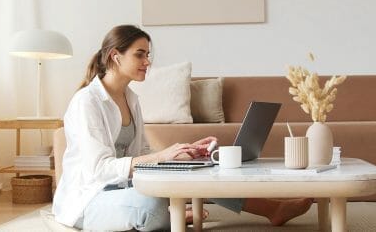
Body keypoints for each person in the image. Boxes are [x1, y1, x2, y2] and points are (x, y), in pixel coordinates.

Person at [52, 25, 313, 231]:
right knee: (151, 205)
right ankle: (170, 216)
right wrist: (162, 157)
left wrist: (181, 155)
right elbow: (99, 169)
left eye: (148, 54)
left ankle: (272, 209)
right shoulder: (87, 102)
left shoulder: (131, 99)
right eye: (139, 54)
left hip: (125, 187)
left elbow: (142, 153)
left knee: (201, 173)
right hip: (90, 200)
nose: (147, 61)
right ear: (115, 57)